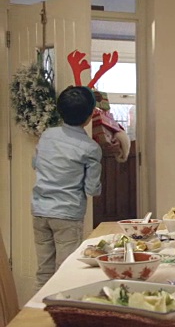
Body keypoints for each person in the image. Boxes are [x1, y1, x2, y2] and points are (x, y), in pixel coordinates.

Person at [31, 86, 102, 289]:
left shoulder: (47, 135)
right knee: (66, 271)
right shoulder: (90, 148)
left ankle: (37, 316)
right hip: (67, 215)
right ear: (90, 115)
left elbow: (35, 163)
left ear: (59, 110)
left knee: (43, 270)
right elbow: (92, 189)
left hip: (39, 210)